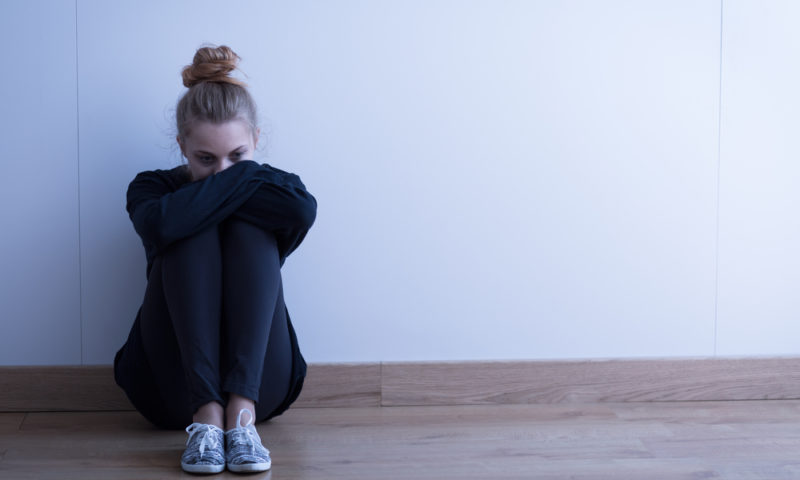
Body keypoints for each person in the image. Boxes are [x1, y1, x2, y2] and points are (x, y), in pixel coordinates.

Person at [113, 45, 316, 474]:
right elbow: (160, 226)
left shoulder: (282, 194)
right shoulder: (151, 188)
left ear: (256, 141)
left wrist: (215, 189)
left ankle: (240, 416)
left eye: (238, 158)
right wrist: (242, 180)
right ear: (182, 145)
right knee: (188, 225)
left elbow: (303, 210)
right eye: (206, 159)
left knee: (242, 225)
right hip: (168, 390)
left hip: (264, 386)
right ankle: (205, 418)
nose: (222, 171)